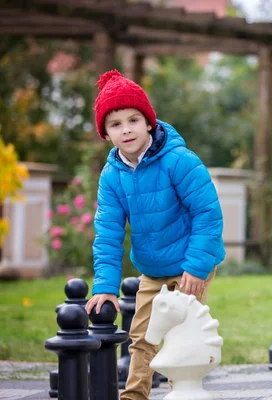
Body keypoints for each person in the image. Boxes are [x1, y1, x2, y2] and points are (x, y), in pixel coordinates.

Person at [84, 70, 226, 400]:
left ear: (149, 121)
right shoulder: (112, 176)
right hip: (152, 269)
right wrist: (105, 286)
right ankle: (135, 396)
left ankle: (184, 392)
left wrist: (196, 267)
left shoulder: (178, 160)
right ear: (105, 134)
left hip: (192, 263)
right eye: (115, 124)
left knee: (183, 333)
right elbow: (107, 232)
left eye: (133, 119)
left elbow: (207, 215)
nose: (126, 129)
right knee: (143, 336)